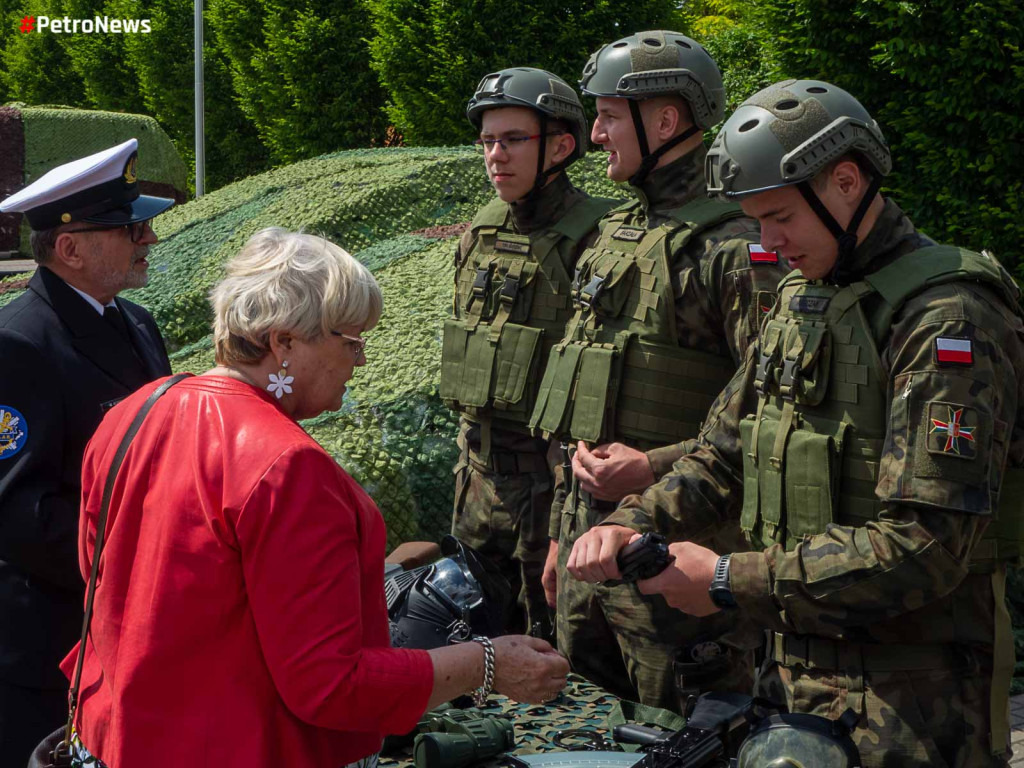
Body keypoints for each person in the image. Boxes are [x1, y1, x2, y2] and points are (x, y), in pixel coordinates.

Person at [567, 79, 1024, 766]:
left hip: (917, 703)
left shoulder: (946, 319)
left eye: (779, 217)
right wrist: (634, 520)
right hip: (787, 677)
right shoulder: (800, 299)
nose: (767, 242)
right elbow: (723, 455)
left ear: (846, 181)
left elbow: (925, 545)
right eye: (755, 220)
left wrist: (727, 580)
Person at [62, 227, 569, 767]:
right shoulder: (287, 465)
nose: (361, 360)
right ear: (283, 341)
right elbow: (329, 684)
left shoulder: (132, 413)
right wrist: (486, 661)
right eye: (350, 340)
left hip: (117, 739)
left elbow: (108, 589)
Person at [529, 30, 788, 711]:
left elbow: (774, 410)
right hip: (588, 555)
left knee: (688, 741)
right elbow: (580, 401)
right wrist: (566, 536)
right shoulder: (615, 235)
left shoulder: (735, 247)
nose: (593, 135)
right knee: (585, 738)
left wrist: (655, 464)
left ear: (665, 121)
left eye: (609, 116)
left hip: (676, 568)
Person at [0, 138, 174, 764]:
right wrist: (137, 562)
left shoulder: (135, 323)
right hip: (48, 639)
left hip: (118, 624)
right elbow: (18, 514)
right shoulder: (19, 345)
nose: (147, 240)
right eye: (130, 229)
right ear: (70, 249)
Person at [442, 67, 615, 641]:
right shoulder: (479, 232)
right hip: (477, 489)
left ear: (561, 146)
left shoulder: (597, 240)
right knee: (470, 644)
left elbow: (596, 400)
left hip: (549, 499)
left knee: (551, 659)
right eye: (487, 141)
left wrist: (570, 525)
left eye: (513, 140)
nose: (496, 155)